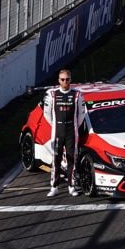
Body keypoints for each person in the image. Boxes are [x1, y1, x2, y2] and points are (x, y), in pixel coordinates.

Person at [43, 69, 87, 197]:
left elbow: (82, 114)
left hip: (71, 131)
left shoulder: (77, 94)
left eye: (67, 79)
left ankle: (71, 186)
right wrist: (55, 125)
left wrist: (74, 125)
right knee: (56, 159)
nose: (65, 82)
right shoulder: (52, 94)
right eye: (62, 79)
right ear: (59, 80)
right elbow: (47, 114)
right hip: (57, 131)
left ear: (70, 80)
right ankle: (54, 186)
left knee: (71, 159)